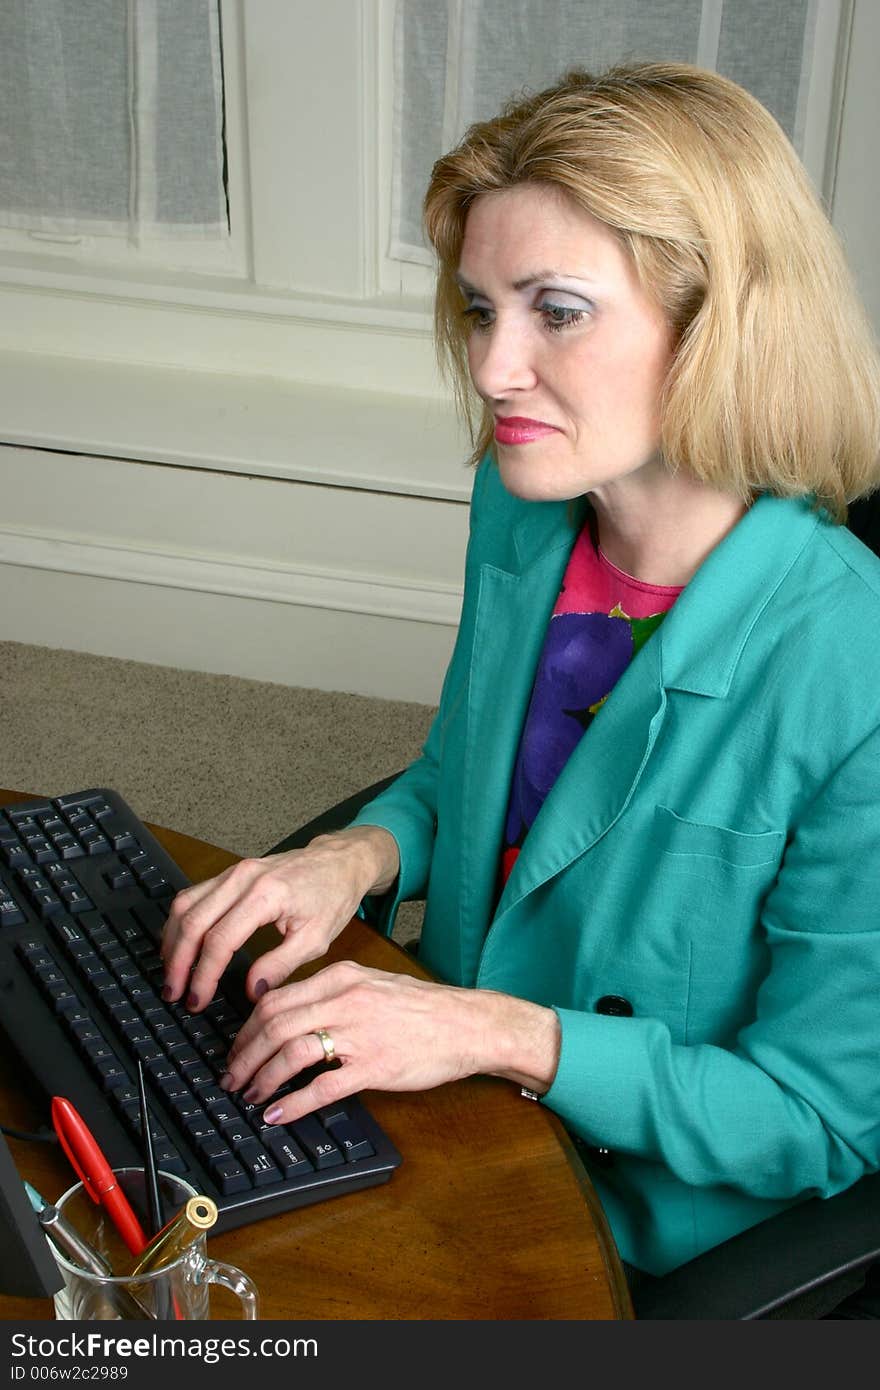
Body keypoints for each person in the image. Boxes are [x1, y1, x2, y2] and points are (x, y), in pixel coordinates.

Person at [161, 63, 880, 1305]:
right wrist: (362, 854)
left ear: (721, 325)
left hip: (609, 1204)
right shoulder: (526, 503)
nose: (493, 371)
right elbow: (471, 772)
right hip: (429, 1097)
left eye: (556, 311)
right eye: (481, 307)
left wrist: (494, 1032)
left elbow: (816, 1118)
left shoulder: (850, 666)